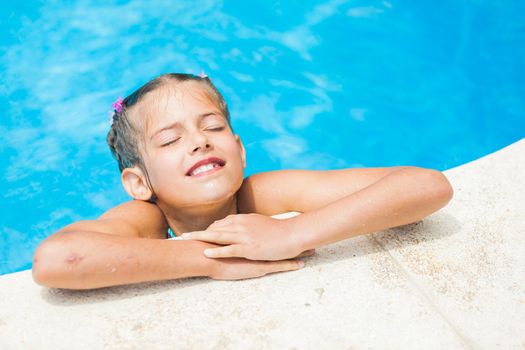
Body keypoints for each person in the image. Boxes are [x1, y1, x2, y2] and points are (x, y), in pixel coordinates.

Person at [32, 72, 454, 290]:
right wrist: (209, 262)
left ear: (240, 150)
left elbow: (426, 186)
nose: (198, 142)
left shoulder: (263, 193)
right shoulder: (146, 219)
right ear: (140, 183)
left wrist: (291, 232)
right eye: (171, 139)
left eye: (212, 127)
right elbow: (57, 261)